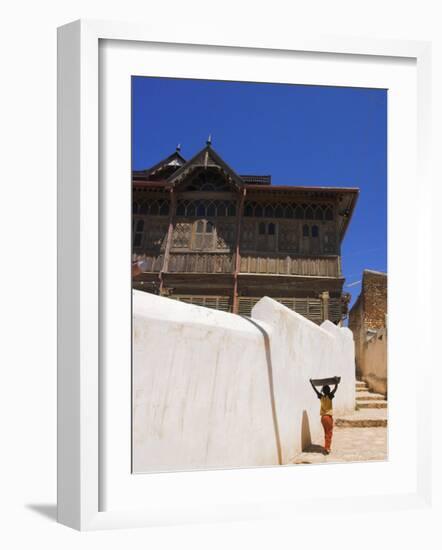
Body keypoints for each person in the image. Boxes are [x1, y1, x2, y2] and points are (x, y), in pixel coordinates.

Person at [309, 378, 339, 454]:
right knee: (329, 432)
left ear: (323, 391)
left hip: (323, 418)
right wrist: (336, 382)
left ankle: (326, 447)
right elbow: (335, 389)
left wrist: (312, 384)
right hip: (328, 417)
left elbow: (315, 391)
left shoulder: (321, 397)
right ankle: (327, 448)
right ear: (329, 391)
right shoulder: (330, 396)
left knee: (326, 433)